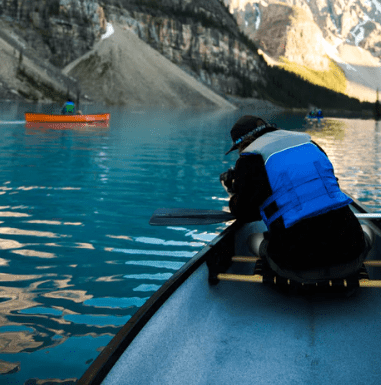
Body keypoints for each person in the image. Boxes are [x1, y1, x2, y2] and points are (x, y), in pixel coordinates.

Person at [220, 115, 372, 283]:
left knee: (252, 240)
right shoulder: (311, 145)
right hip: (352, 257)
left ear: (243, 143)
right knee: (367, 231)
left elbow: (245, 213)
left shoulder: (250, 159)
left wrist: (233, 194)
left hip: (296, 266)